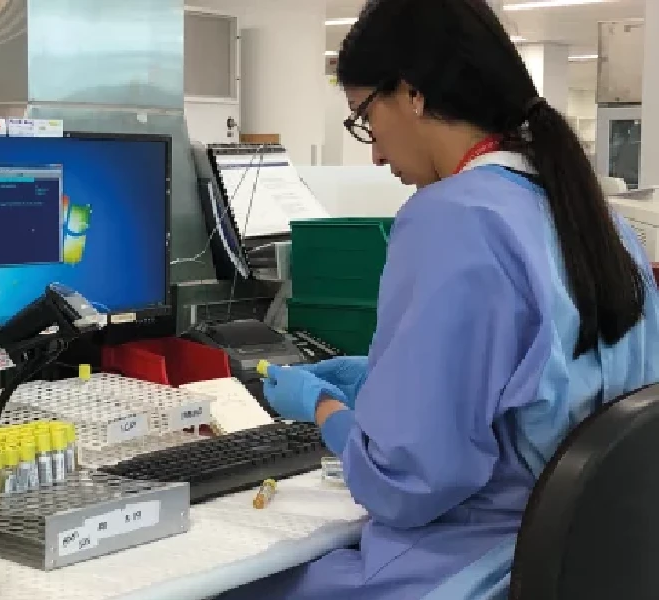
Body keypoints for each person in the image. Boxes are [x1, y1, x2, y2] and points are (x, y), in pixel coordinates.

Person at [218, 0, 659, 599]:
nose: (373, 152)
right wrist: (385, 383)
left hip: (466, 571)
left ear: (412, 93)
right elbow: (541, 388)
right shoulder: (600, 220)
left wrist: (325, 411)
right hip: (575, 564)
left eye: (364, 118)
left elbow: (409, 485)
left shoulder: (453, 218)